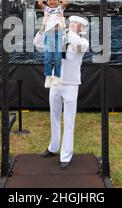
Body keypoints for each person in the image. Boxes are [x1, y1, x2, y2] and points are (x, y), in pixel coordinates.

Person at [38, 16, 89, 169]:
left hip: (71, 84)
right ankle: (53, 147)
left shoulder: (83, 42)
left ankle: (66, 155)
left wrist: (65, 29)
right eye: (71, 23)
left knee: (68, 120)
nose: (72, 25)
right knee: (53, 116)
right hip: (56, 81)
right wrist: (43, 29)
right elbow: (39, 45)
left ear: (81, 28)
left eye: (76, 24)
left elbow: (77, 44)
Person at [38, 0, 68, 88]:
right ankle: (48, 76)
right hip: (48, 36)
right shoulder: (46, 9)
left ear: (58, 1)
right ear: (47, 2)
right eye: (50, 0)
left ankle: (57, 76)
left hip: (58, 36)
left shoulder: (60, 9)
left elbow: (65, 3)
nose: (52, 1)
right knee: (47, 58)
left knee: (57, 58)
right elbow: (39, 3)